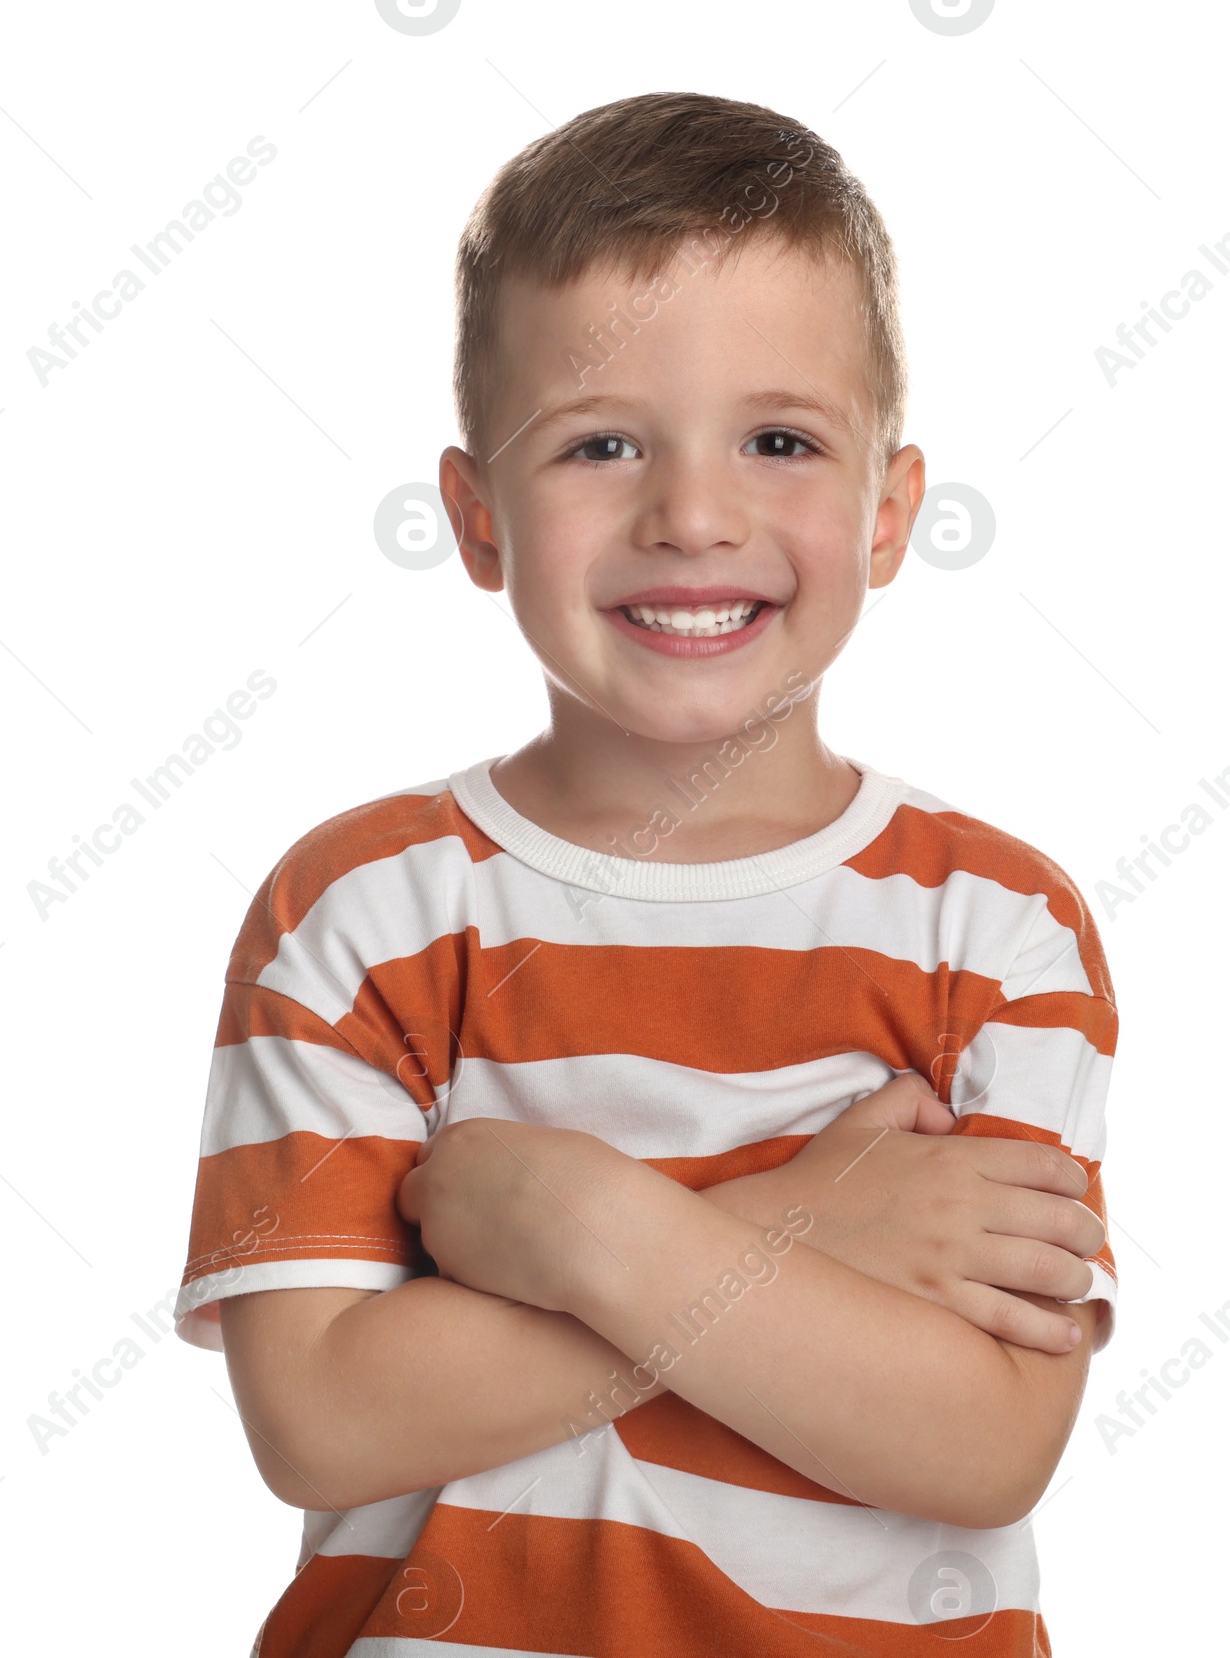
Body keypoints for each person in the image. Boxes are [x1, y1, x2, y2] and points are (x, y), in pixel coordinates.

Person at [175, 90, 1120, 1656]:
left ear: (890, 512)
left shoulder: (997, 929)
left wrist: (589, 1228)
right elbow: (325, 1424)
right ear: (477, 519)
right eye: (602, 442)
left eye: (780, 439)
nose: (693, 513)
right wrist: (806, 1221)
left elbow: (984, 1444)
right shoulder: (363, 913)